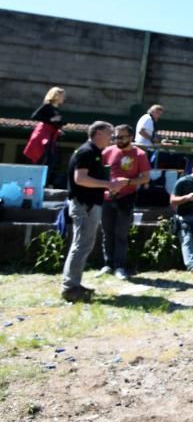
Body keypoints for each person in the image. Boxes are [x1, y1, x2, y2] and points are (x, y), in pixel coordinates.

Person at [61, 121, 126, 302]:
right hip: (84, 205)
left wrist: (109, 185)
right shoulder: (87, 151)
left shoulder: (94, 153)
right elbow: (80, 179)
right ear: (97, 133)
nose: (112, 137)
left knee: (84, 244)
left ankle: (74, 284)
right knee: (81, 245)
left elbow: (90, 180)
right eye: (109, 133)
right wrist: (108, 184)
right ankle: (70, 288)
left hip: (88, 204)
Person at [98, 125, 151, 280]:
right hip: (106, 197)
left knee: (121, 233)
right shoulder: (107, 151)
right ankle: (107, 264)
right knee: (107, 232)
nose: (118, 140)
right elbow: (99, 173)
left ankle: (119, 266)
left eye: (122, 137)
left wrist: (127, 182)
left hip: (126, 198)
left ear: (131, 137)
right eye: (116, 137)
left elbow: (146, 178)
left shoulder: (139, 154)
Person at [23, 86, 66, 167]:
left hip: (51, 134)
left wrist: (58, 128)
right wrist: (51, 120)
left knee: (50, 159)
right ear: (56, 95)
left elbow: (54, 122)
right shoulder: (47, 105)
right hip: (43, 134)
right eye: (62, 95)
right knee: (43, 156)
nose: (63, 98)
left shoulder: (57, 109)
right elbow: (35, 116)